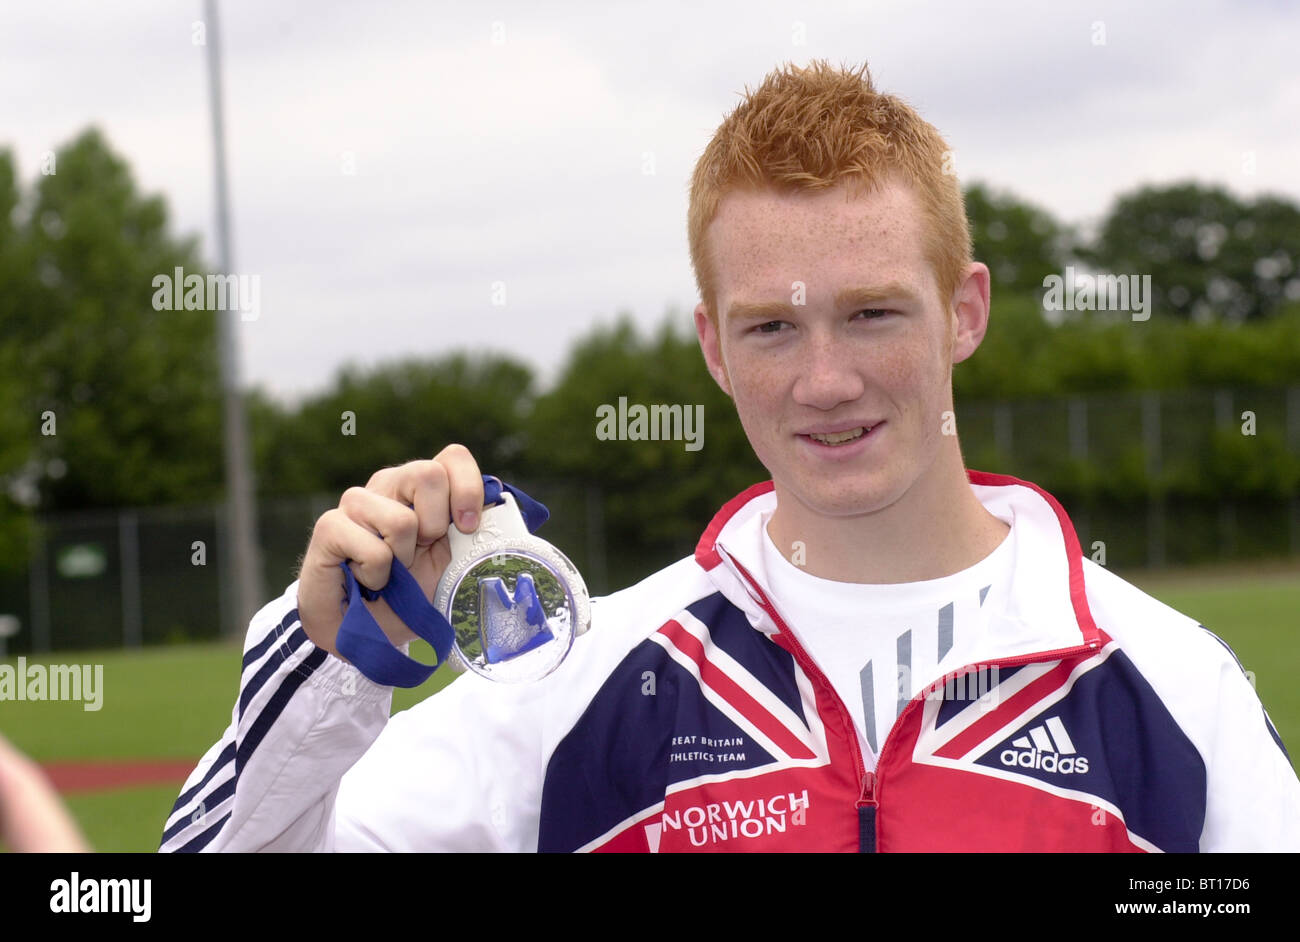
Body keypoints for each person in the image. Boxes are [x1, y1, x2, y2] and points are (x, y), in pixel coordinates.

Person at [160, 59, 1300, 853]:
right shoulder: (581, 678)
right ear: (712, 344)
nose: (823, 381)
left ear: (964, 312)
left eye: (872, 314)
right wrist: (328, 663)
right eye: (770, 327)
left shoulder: (1168, 684)